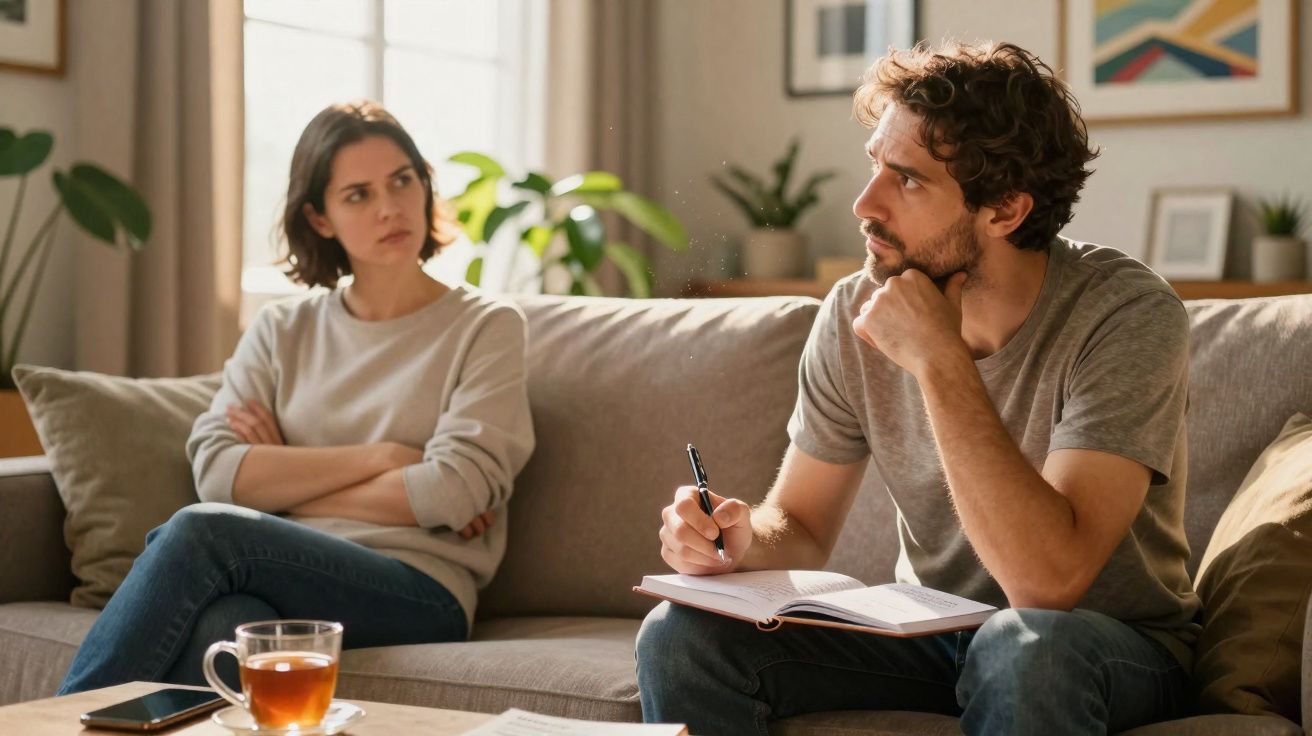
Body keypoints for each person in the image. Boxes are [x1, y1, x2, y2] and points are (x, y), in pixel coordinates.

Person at [636, 41, 1197, 735]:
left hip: (1102, 643)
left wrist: (939, 360)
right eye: (875, 163)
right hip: (934, 632)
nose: (863, 203)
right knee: (682, 634)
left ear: (1005, 210)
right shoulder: (854, 309)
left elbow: (1049, 585)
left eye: (906, 180)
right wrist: (742, 536)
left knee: (1027, 647)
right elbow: (804, 526)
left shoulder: (1124, 313)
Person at [59, 101, 535, 693]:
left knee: (202, 532)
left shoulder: (485, 325)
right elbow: (217, 470)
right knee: (223, 625)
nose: (390, 207)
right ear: (320, 217)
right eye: (358, 194)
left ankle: (51, 729)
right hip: (276, 577)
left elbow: (453, 490)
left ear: (424, 185)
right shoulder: (282, 328)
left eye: (402, 180)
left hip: (416, 588)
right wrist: (387, 458)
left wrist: (282, 480)